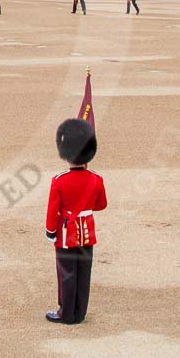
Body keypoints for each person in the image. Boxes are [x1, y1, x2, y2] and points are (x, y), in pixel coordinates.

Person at [46, 117, 105, 325]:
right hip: (87, 231)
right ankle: (80, 312)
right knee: (83, 272)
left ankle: (66, 313)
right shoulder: (96, 179)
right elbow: (101, 205)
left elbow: (53, 210)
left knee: (67, 273)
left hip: (66, 233)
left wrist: (50, 231)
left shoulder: (60, 180)